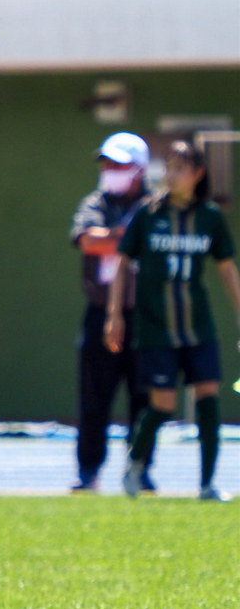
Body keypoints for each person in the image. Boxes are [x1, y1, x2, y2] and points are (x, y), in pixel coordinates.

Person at [106, 140, 240, 501]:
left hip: (198, 326)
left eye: (181, 167)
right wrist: (115, 314)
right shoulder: (148, 214)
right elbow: (122, 263)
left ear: (198, 175)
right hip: (156, 327)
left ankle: (208, 484)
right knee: (162, 405)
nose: (172, 174)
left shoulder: (210, 217)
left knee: (209, 396)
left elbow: (227, 269)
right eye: (170, 166)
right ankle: (135, 463)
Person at [69, 132, 151, 493]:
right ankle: (89, 472)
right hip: (101, 314)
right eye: (107, 164)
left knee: (145, 398)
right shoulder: (95, 202)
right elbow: (87, 239)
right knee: (93, 398)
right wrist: (127, 237)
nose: (110, 171)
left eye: (119, 165)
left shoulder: (154, 206)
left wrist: (116, 238)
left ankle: (140, 468)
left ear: (139, 169)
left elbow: (155, 241)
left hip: (145, 316)